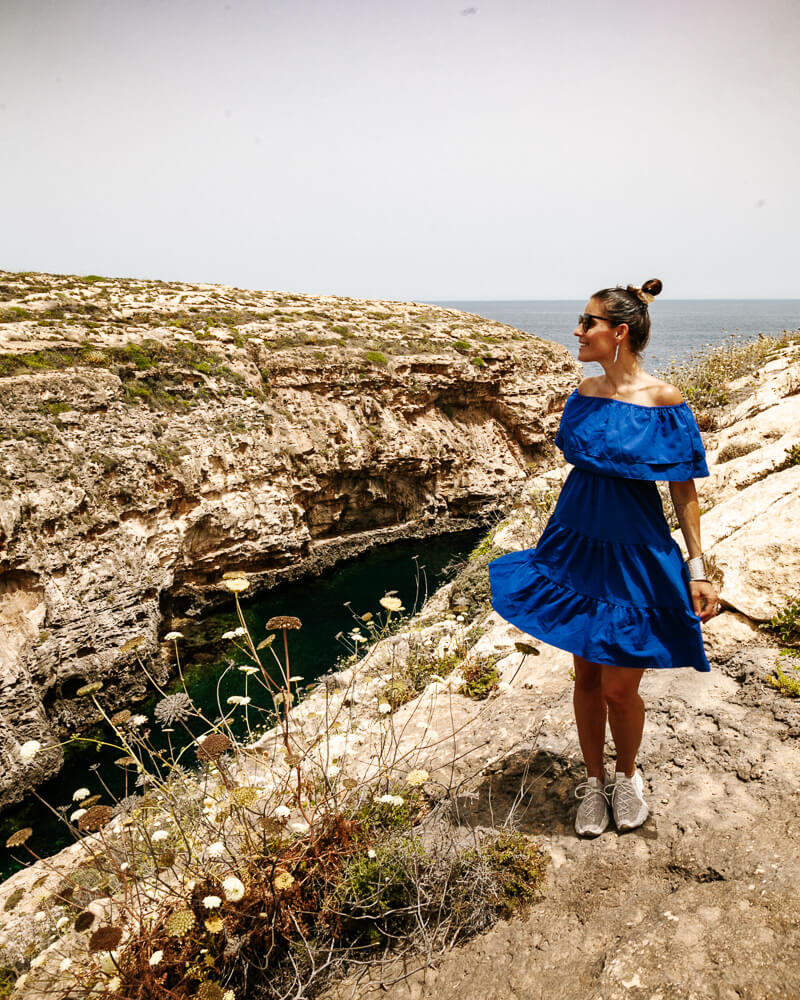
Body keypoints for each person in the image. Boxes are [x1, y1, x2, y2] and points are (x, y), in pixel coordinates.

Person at [489, 279, 718, 837]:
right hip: (576, 545)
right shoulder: (586, 394)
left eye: (587, 322)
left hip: (635, 553)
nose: (577, 331)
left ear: (619, 332)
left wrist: (697, 568)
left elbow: (683, 492)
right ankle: (593, 780)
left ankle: (626, 774)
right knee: (587, 676)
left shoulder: (666, 401)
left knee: (621, 687)